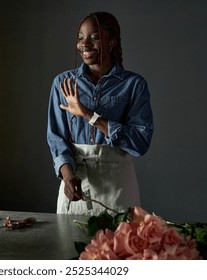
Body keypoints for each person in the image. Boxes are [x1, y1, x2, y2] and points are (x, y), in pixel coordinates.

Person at [47, 12, 154, 215]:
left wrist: (88, 114)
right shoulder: (63, 83)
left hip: (118, 190)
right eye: (80, 38)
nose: (84, 44)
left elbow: (140, 143)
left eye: (94, 37)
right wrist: (68, 176)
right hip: (76, 186)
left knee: (120, 246)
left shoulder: (133, 85)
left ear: (112, 42)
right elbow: (57, 139)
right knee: (70, 246)